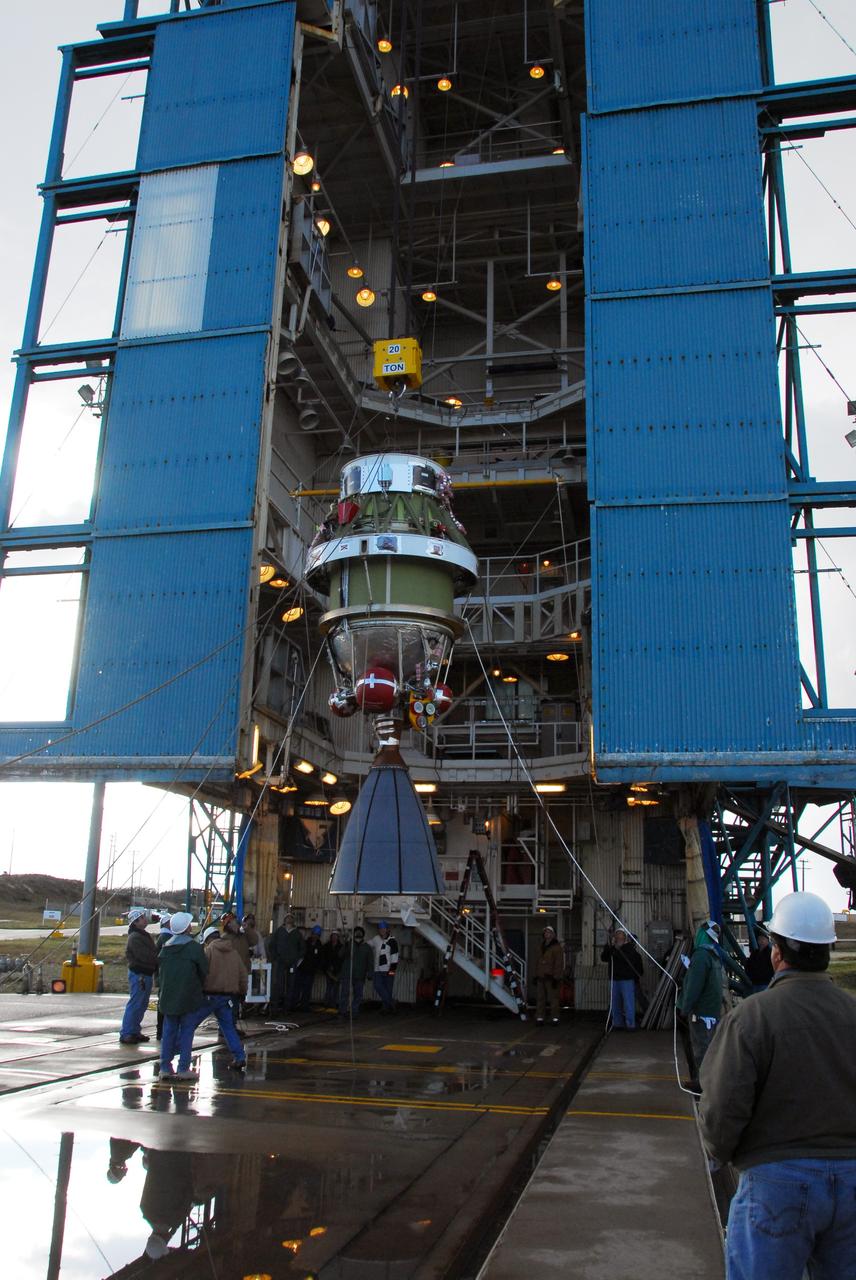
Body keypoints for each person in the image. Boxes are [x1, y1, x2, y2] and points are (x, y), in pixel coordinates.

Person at [699, 892, 856, 1280]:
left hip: (776, 1181)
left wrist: (719, 1152)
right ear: (828, 950)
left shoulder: (751, 1017)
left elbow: (723, 1106)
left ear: (777, 953)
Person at [157, 912, 207, 1081]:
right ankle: (183, 1068)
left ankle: (165, 1067)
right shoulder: (194, 948)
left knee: (168, 1032)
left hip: (168, 997)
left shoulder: (165, 948)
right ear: (187, 928)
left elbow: (160, 974)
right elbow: (204, 971)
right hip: (188, 997)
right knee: (186, 1032)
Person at [677, 919, 723, 1088]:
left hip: (701, 1012)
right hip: (712, 1011)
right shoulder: (714, 955)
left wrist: (684, 1007)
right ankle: (709, 1081)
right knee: (709, 1047)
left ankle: (702, 1084)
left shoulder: (701, 956)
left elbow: (694, 986)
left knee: (701, 1048)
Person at [198, 925, 247, 1071]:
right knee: (229, 1028)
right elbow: (243, 974)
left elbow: (201, 972)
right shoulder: (234, 952)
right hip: (228, 997)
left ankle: (182, 1061)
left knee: (189, 1025)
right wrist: (242, 992)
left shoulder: (209, 951)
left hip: (210, 995)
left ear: (207, 939)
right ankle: (240, 1057)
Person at [120, 908, 158, 1045]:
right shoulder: (136, 937)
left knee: (141, 1004)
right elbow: (145, 956)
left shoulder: (142, 935)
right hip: (139, 974)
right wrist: (158, 959)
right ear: (135, 922)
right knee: (136, 1003)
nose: (145, 919)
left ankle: (134, 1030)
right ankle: (127, 1033)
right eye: (142, 918)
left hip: (145, 973)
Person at [600, 927, 643, 1030]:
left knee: (628, 1003)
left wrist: (617, 949)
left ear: (625, 938)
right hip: (614, 979)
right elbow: (604, 958)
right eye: (617, 936)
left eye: (621, 936)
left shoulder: (629, 949)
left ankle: (630, 1024)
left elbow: (626, 959)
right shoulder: (612, 948)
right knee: (615, 1003)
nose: (619, 938)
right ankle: (617, 1023)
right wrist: (609, 946)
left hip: (626, 980)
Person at [269, 913, 304, 1012]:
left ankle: (287, 1008)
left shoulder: (297, 933)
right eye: (287, 918)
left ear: (293, 921)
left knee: (291, 984)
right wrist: (275, 957)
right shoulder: (279, 931)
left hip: (292, 962)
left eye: (291, 918)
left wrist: (296, 958)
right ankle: (275, 1007)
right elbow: (272, 945)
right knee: (277, 984)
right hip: (280, 961)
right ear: (284, 920)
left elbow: (302, 948)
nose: (289, 919)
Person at [339, 926, 374, 1018]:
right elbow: (340, 955)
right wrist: (345, 944)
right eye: (356, 932)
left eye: (360, 933)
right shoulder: (349, 945)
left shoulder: (367, 948)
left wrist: (370, 973)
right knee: (344, 993)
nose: (358, 934)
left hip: (360, 975)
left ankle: (354, 1011)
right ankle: (342, 1011)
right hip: (347, 973)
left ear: (363, 935)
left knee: (358, 994)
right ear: (353, 934)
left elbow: (370, 961)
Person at [535, 925, 565, 1025]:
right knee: (540, 998)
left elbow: (559, 964)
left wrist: (556, 978)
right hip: (541, 977)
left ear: (553, 934)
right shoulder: (541, 946)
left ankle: (554, 1018)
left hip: (551, 978)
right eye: (545, 932)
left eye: (549, 932)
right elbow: (538, 961)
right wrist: (537, 974)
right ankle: (540, 1017)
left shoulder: (557, 948)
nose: (546, 934)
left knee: (554, 999)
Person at [372, 920, 400, 1013]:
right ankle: (391, 1002)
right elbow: (369, 944)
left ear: (387, 929)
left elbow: (394, 957)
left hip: (388, 969)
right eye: (380, 929)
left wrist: (392, 971)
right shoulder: (376, 939)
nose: (382, 930)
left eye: (383, 928)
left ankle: (386, 1008)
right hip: (377, 969)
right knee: (377, 986)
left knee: (388, 989)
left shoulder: (392, 941)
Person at [294, 924, 324, 1010]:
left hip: (310, 971)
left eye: (317, 935)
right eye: (314, 934)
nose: (315, 936)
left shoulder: (319, 946)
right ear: (312, 934)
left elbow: (320, 958)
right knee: (297, 988)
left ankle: (304, 1006)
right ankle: (294, 1004)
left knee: (307, 989)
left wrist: (317, 968)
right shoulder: (305, 943)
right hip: (301, 969)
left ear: (319, 936)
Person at [154, 914, 171, 1041]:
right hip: (165, 976)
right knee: (164, 1004)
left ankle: (161, 1031)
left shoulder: (163, 937)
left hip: (161, 975)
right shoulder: (166, 937)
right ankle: (161, 1031)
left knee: (163, 1002)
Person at [744, 925, 774, 992]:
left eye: (763, 939)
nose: (761, 941)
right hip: (755, 983)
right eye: (760, 939)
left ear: (767, 941)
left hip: (765, 983)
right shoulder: (754, 953)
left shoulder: (770, 953)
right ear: (757, 940)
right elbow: (748, 966)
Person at [321, 929, 344, 1008]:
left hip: (337, 970)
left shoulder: (341, 947)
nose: (334, 937)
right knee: (329, 987)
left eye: (336, 936)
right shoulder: (326, 946)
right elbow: (323, 958)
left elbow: (342, 959)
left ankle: (334, 1003)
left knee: (335, 988)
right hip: (329, 970)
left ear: (338, 937)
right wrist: (326, 968)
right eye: (333, 936)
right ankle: (327, 1003)